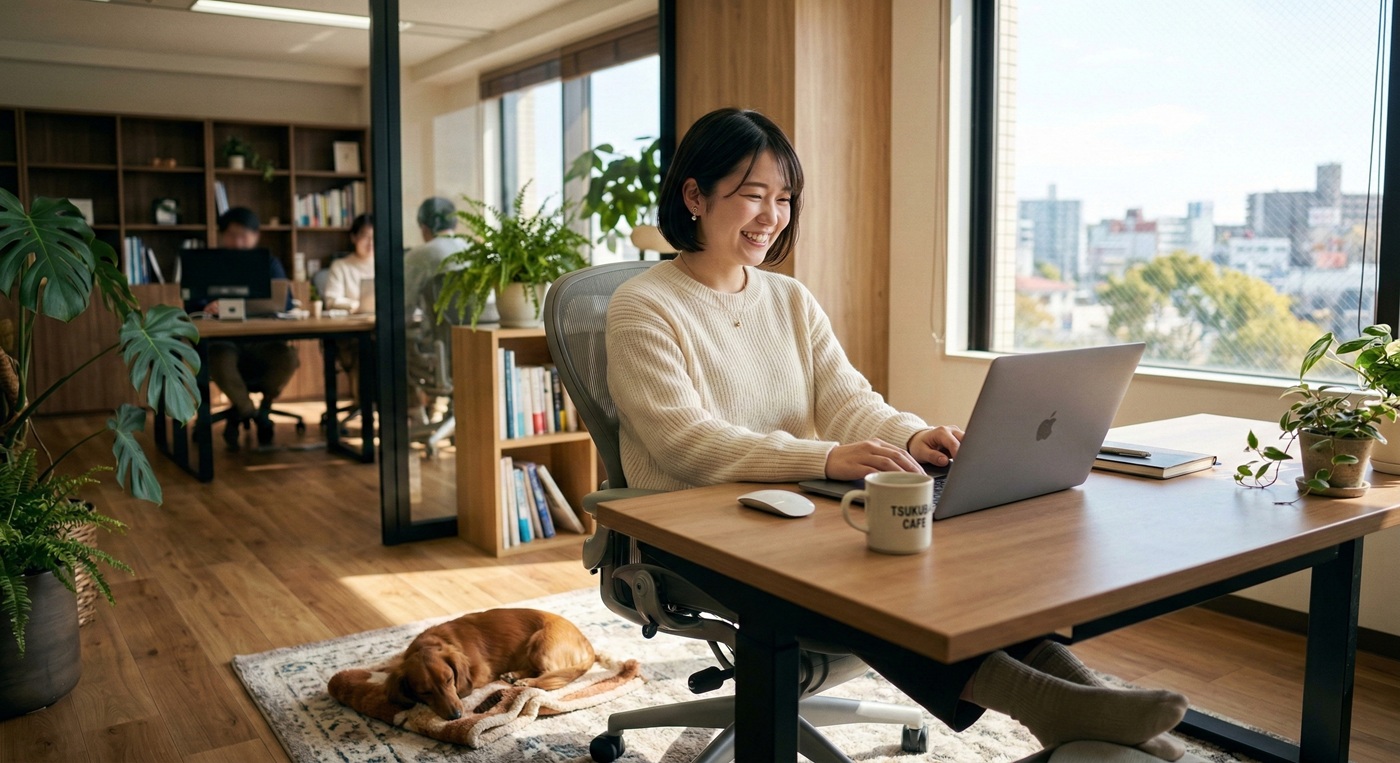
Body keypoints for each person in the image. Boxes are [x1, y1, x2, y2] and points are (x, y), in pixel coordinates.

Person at [606, 108, 1189, 760]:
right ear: (694, 195)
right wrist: (827, 457)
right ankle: (1044, 701)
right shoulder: (644, 304)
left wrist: (912, 439)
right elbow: (684, 439)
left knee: (921, 548)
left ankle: (1080, 699)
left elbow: (848, 400)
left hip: (786, 510)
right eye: (751, 195)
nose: (771, 216)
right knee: (863, 576)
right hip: (687, 531)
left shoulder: (788, 299)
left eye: (784, 198)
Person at [206, 207, 301, 451]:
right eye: (232, 235)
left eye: (244, 235)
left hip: (262, 341)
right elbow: (192, 304)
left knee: (287, 358)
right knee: (220, 359)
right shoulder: (209, 263)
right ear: (222, 236)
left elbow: (285, 302)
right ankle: (250, 413)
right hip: (223, 342)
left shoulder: (268, 262)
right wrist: (208, 306)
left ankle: (259, 407)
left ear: (256, 236)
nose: (238, 242)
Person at [322, 213, 374, 312]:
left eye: (374, 237)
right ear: (353, 237)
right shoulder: (340, 266)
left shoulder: (386, 265)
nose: (371, 243)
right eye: (366, 237)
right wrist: (357, 306)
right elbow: (332, 300)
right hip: (350, 323)